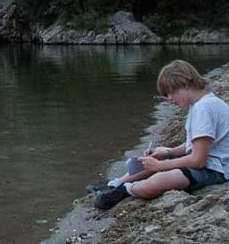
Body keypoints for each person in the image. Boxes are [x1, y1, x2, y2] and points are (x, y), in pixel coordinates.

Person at [90, 59, 229, 210]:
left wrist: (161, 165)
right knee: (152, 160)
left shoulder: (203, 109)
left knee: (159, 179)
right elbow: (198, 144)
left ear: (186, 83)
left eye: (171, 92)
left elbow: (198, 160)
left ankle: (125, 190)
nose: (169, 99)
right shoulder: (200, 104)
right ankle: (114, 184)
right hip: (209, 163)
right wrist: (169, 151)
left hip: (217, 170)